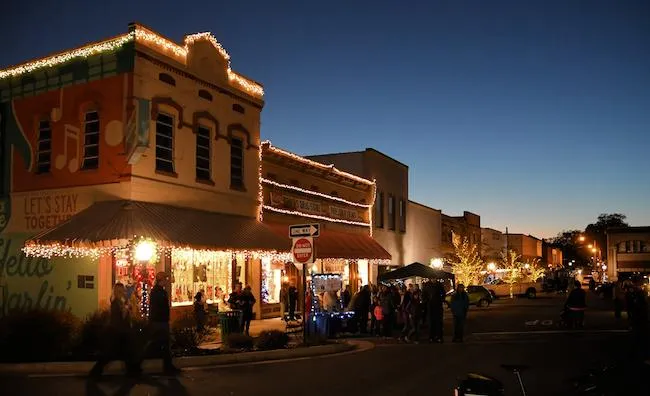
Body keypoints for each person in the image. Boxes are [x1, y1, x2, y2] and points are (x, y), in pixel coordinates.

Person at [89, 283, 140, 378]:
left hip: (122, 333)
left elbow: (127, 316)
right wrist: (125, 310)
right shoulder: (115, 303)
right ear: (117, 292)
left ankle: (133, 372)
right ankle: (95, 372)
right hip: (117, 333)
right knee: (110, 355)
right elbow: (119, 318)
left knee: (127, 353)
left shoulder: (121, 301)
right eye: (120, 291)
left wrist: (128, 308)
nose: (122, 292)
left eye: (123, 290)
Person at [149, 272, 180, 375]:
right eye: (165, 279)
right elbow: (159, 308)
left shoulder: (158, 291)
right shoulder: (158, 292)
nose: (167, 281)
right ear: (161, 280)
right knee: (163, 344)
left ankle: (168, 366)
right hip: (160, 322)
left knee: (162, 344)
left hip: (159, 321)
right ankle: (167, 367)